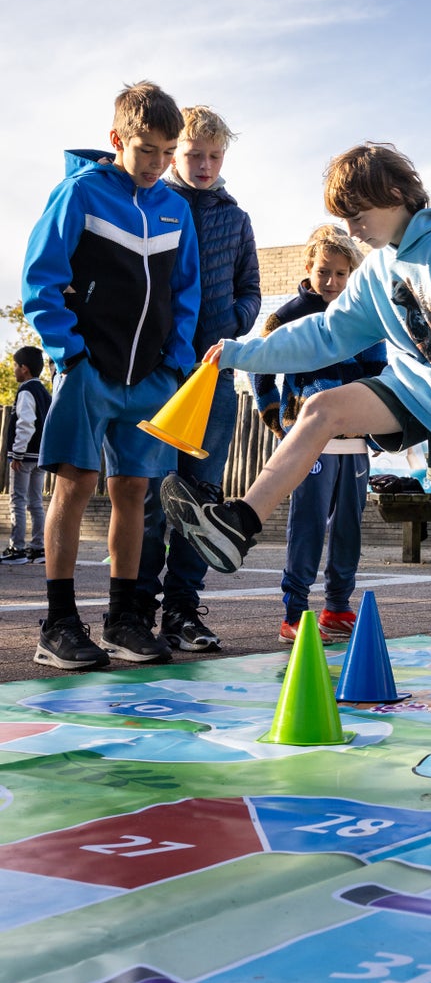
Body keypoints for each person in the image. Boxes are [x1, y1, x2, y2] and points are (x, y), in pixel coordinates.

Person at [159, 143, 431, 682]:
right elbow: (326, 334)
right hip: (411, 389)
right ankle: (239, 522)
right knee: (322, 407)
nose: (353, 229)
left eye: (357, 216)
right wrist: (241, 352)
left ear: (392, 196)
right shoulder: (375, 272)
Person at [22, 81, 200, 669]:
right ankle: (59, 625)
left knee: (134, 492)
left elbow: (186, 292)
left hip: (152, 376)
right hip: (88, 371)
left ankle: (125, 620)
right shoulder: (79, 193)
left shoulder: (176, 207)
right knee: (75, 485)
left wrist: (174, 363)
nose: (158, 163)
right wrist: (69, 355)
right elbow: (41, 282)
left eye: (168, 151)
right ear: (116, 139)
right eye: (147, 149)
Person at [136, 105, 260, 652]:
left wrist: (232, 325)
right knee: (148, 497)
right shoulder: (153, 205)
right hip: (159, 374)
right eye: (193, 155)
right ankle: (136, 609)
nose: (205, 165)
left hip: (215, 378)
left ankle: (182, 611)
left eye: (214, 156)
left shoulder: (236, 218)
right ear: (174, 154)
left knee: (200, 498)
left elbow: (251, 289)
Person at [253, 225, 386, 644]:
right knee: (308, 524)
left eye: (341, 274)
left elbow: (379, 376)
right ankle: (293, 612)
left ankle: (337, 606)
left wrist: (378, 430)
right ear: (309, 268)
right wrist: (278, 420)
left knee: (350, 524)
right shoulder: (286, 316)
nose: (331, 282)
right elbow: (261, 369)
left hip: (355, 440)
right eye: (324, 272)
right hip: (309, 439)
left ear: (352, 274)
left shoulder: (365, 319)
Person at [3, 346, 51, 565]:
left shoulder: (26, 391)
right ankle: (38, 548)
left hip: (24, 457)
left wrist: (18, 453)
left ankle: (17, 549)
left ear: (24, 368)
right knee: (35, 502)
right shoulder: (45, 393)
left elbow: (25, 424)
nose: (13, 369)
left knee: (18, 501)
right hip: (40, 455)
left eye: (15, 365)